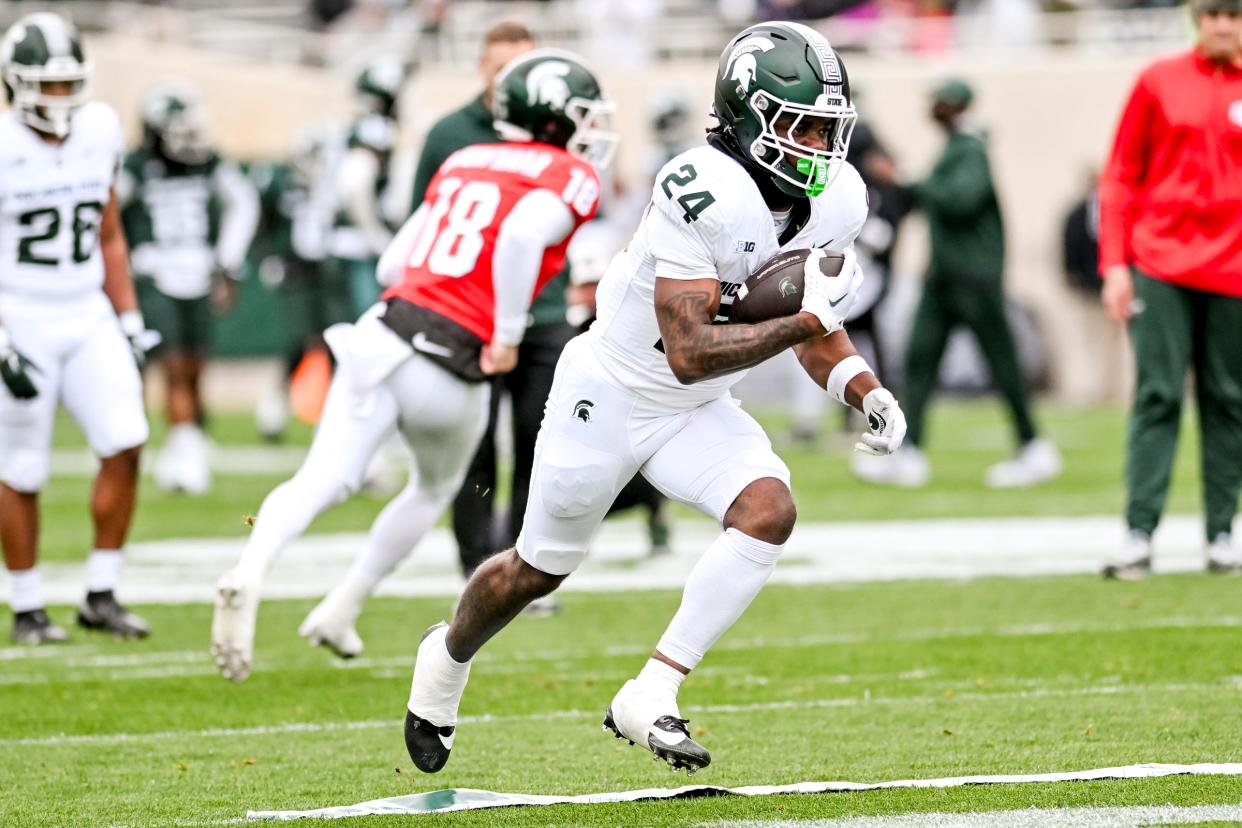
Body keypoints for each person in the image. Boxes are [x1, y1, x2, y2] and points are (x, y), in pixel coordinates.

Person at [403, 21, 907, 776]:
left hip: (694, 409)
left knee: (768, 510)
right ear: (746, 115)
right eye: (799, 124)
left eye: (826, 128)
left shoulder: (837, 198)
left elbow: (816, 331)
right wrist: (806, 316)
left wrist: (862, 389)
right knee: (534, 570)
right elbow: (692, 349)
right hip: (612, 391)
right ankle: (443, 663)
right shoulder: (700, 189)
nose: (817, 146)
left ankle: (653, 690)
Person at [210, 48, 615, 680]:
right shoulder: (569, 174)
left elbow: (390, 267)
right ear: (556, 118)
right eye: (586, 116)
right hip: (453, 358)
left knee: (323, 477)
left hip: (385, 330)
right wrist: (506, 334)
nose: (594, 131)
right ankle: (345, 603)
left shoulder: (465, 159)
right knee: (430, 487)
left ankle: (250, 569)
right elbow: (517, 238)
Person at [0, 13, 157, 644]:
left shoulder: (100, 130)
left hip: (86, 308)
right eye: (48, 85)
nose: (60, 99)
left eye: (69, 85)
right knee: (21, 466)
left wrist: (129, 317)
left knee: (126, 438)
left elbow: (109, 230)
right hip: (18, 313)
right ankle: (28, 605)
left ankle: (101, 591)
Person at [410, 23, 580, 602]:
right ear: (480, 65)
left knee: (545, 440)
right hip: (472, 315)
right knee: (471, 445)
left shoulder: (562, 128)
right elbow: (422, 226)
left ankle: (529, 567)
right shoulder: (450, 135)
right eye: (501, 66)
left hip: (547, 309)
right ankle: (475, 567)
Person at [1097, 0, 1242, 579]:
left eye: (1234, 15)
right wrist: (1115, 265)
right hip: (1161, 261)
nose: (1224, 26)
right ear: (1196, 20)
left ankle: (1222, 534)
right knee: (1157, 394)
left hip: (1234, 269)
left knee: (1229, 399)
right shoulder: (1158, 81)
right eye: (1213, 15)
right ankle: (1139, 533)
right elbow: (1122, 175)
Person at [855, 79, 1060, 489]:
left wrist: (908, 178)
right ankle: (908, 448)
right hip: (944, 277)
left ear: (952, 106)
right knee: (919, 360)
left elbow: (959, 199)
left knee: (1001, 362)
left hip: (974, 277)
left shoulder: (971, 148)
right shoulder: (956, 146)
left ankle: (1033, 445)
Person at [120, 81, 260, 494]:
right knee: (175, 367)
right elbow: (105, 215)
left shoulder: (208, 162)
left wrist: (228, 262)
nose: (188, 137)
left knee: (196, 366)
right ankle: (186, 452)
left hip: (199, 271)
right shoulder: (134, 166)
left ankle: (187, 444)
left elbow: (244, 202)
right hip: (154, 273)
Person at [328, 57, 407, 321]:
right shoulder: (374, 130)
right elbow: (354, 184)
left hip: (342, 241)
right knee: (370, 323)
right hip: (362, 244)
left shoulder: (353, 129)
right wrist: (377, 238)